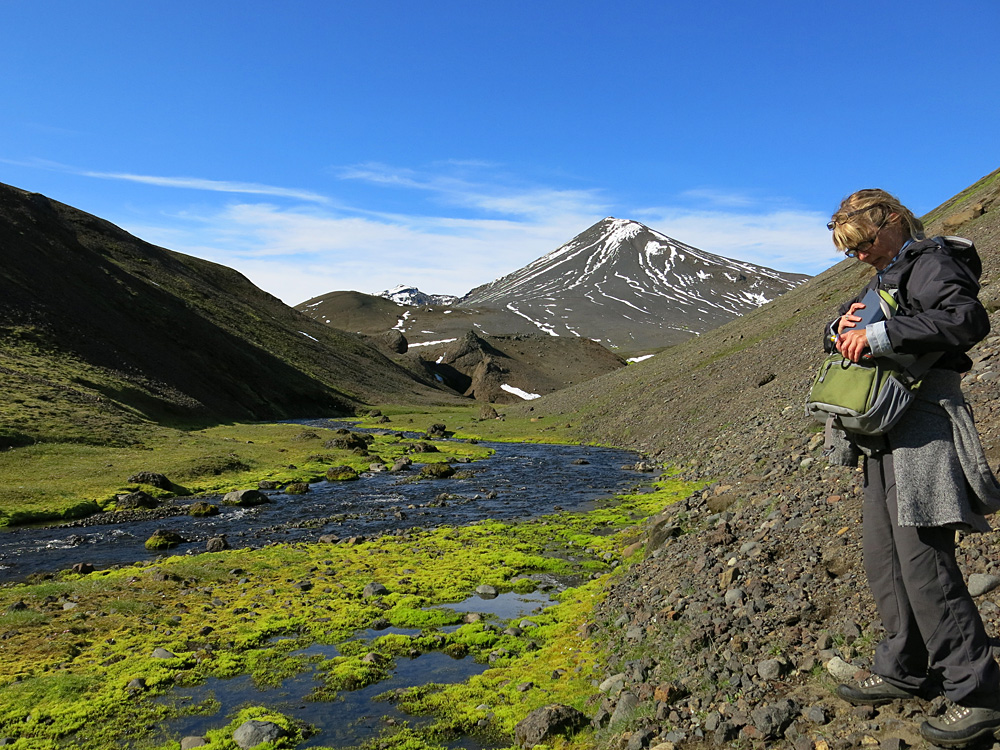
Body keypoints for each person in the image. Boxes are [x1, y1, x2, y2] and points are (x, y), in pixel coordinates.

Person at [825, 188, 1000, 747]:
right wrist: (838, 330)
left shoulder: (932, 260)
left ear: (894, 222)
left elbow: (965, 319)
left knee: (923, 560)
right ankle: (906, 666)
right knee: (885, 555)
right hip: (884, 428)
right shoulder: (888, 270)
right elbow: (846, 327)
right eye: (849, 251)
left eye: (864, 244)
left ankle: (977, 694)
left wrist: (877, 334)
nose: (859, 258)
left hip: (922, 425)